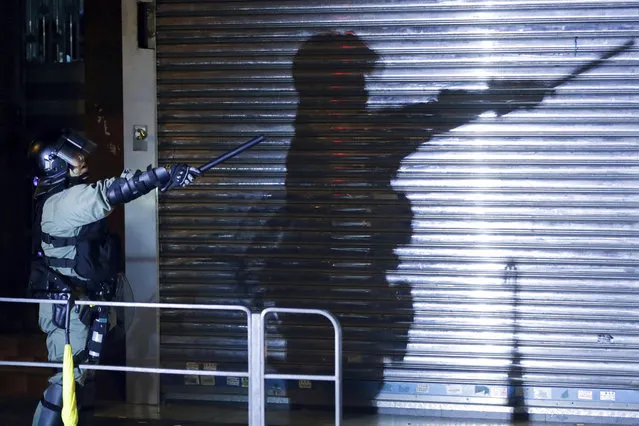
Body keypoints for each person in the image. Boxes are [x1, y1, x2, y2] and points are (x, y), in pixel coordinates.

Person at [26, 128, 200, 426]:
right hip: (70, 311)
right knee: (67, 380)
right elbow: (111, 191)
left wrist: (162, 178)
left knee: (81, 379)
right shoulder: (63, 202)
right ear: (54, 163)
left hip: (84, 305)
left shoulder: (64, 196)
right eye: (71, 154)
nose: (81, 157)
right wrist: (163, 174)